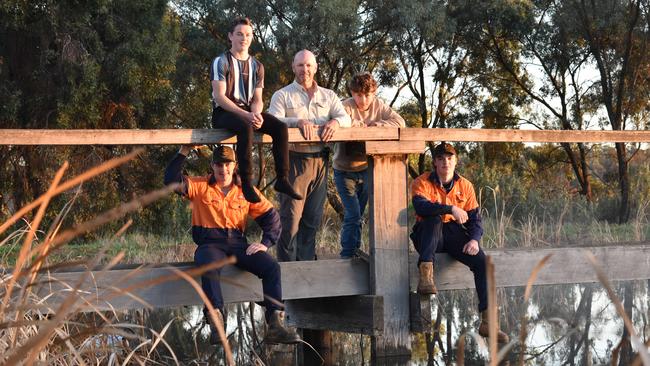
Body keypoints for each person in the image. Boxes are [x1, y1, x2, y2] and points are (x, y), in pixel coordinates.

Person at [164, 145, 301, 345]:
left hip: (238, 244)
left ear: (234, 165)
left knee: (272, 267)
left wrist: (265, 243)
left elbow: (271, 217)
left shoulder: (245, 190)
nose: (223, 169)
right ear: (212, 166)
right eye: (218, 164)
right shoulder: (199, 186)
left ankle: (275, 326)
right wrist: (184, 151)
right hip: (210, 244)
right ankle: (217, 322)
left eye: (227, 164)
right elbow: (170, 181)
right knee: (208, 264)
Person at [410, 143, 509, 343]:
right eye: (441, 159)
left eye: (449, 158)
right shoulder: (421, 182)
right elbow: (421, 207)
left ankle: (487, 323)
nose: (445, 162)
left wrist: (474, 239)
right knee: (434, 217)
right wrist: (450, 208)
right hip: (428, 236)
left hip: (453, 235)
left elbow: (475, 220)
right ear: (435, 162)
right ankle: (426, 277)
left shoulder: (465, 185)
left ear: (455, 161)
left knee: (483, 262)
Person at [268, 50, 351, 262]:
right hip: (293, 161)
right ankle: (287, 283)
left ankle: (306, 283)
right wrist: (296, 121)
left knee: (312, 221)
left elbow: (345, 118)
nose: (304, 70)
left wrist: (335, 122)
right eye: (300, 65)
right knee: (290, 222)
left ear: (315, 68)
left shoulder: (329, 96)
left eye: (308, 66)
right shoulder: (282, 95)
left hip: (321, 162)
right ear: (293, 67)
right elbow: (272, 120)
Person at [210, 17, 302, 203]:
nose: (244, 38)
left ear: (252, 38)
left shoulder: (257, 66)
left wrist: (257, 114)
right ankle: (246, 182)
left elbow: (258, 99)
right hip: (224, 112)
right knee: (246, 127)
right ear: (230, 36)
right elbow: (219, 97)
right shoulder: (221, 61)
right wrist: (247, 115)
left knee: (279, 127)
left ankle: (282, 179)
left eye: (248, 35)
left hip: (248, 112)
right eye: (239, 34)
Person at [334, 72, 405, 258]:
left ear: (374, 93)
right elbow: (341, 122)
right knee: (353, 214)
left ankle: (356, 250)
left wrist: (378, 125)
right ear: (352, 92)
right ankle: (347, 254)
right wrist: (358, 126)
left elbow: (400, 122)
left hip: (366, 169)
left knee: (360, 215)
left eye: (367, 95)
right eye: (358, 95)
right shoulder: (345, 106)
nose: (363, 99)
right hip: (344, 170)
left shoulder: (378, 105)